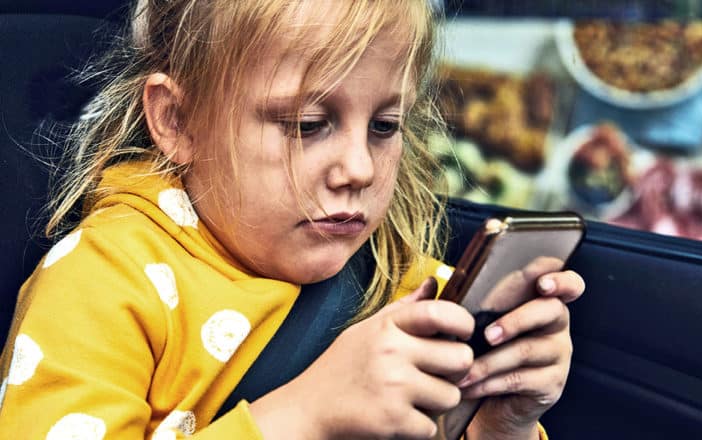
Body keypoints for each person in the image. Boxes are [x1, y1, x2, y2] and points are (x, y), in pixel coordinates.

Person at [0, 0, 585, 438]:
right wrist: (304, 414)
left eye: (385, 126)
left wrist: (498, 423)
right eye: (308, 124)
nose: (358, 167)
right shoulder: (106, 283)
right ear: (177, 120)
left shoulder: (408, 288)